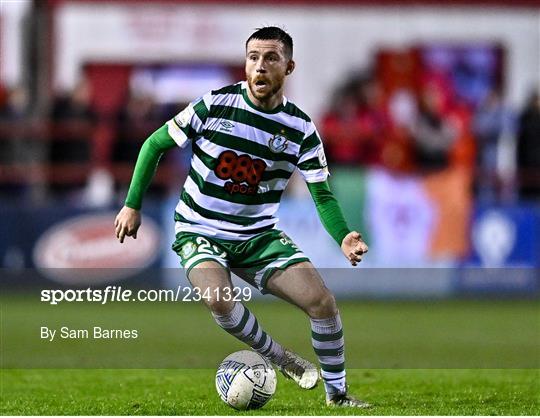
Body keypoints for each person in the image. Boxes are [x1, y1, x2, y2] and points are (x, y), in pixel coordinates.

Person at [115, 27, 369, 408]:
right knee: (219, 299)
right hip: (199, 227)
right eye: (253, 57)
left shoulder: (301, 129)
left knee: (322, 302)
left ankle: (338, 396)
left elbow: (322, 194)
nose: (260, 66)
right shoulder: (213, 105)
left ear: (290, 66)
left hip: (257, 235)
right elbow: (154, 144)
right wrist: (132, 204)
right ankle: (280, 357)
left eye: (271, 58)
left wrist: (343, 235)